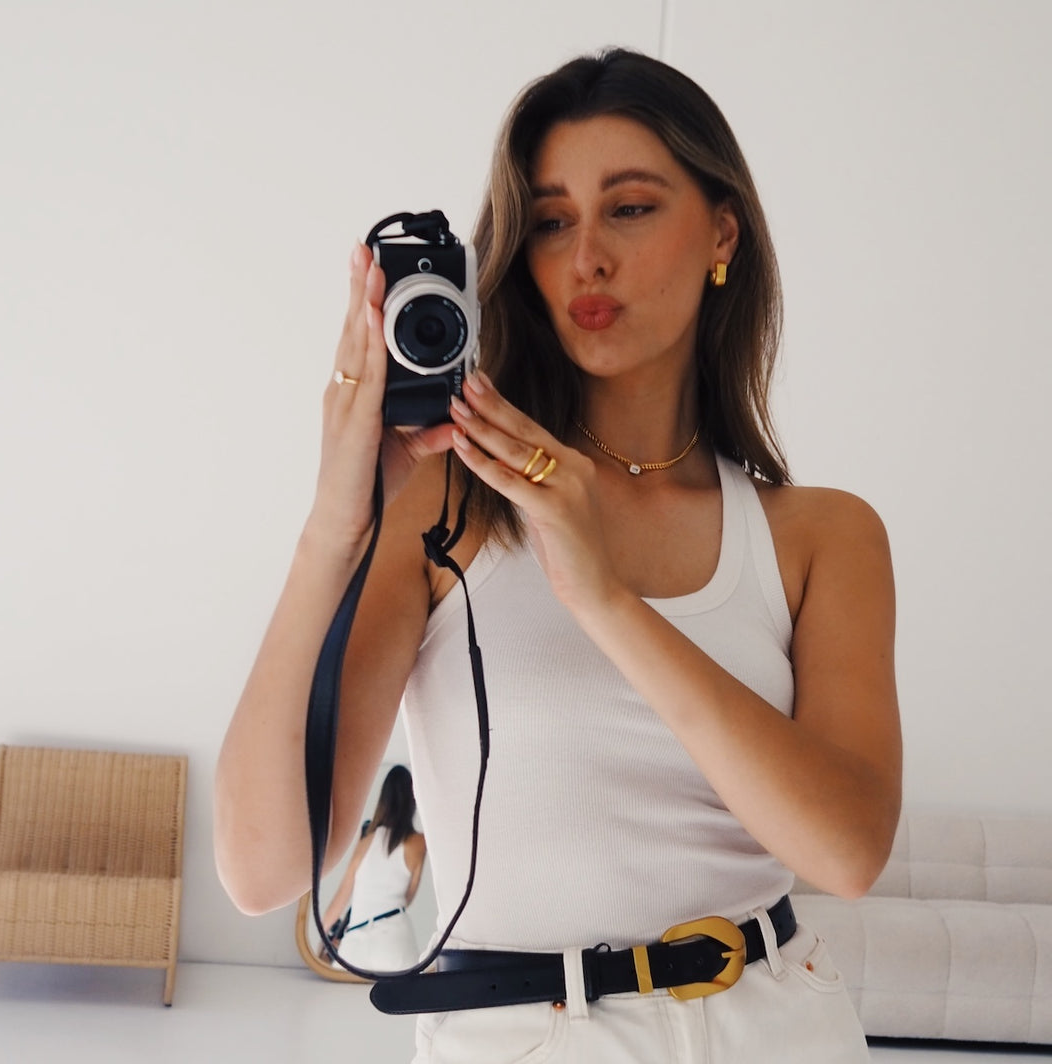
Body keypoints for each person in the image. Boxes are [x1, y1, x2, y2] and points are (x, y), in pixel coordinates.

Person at [215, 48, 901, 1063]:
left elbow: (846, 850)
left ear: (721, 231)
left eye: (628, 208)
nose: (585, 256)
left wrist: (606, 597)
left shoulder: (820, 535)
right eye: (548, 220)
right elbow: (262, 866)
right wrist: (335, 524)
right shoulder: (443, 513)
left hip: (777, 1025)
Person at [320, 764, 425, 972]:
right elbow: (408, 898)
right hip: (395, 940)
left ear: (383, 801)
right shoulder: (418, 843)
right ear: (412, 800)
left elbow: (340, 899)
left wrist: (318, 946)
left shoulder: (367, 839)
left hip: (355, 942)